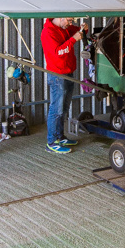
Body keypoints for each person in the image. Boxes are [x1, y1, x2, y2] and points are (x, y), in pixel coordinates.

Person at [41, 16, 86, 153]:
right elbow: (57, 53)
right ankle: (51, 141)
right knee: (56, 109)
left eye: (72, 21)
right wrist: (73, 40)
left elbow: (75, 30)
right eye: (69, 20)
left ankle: (60, 136)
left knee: (64, 107)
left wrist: (82, 29)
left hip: (68, 72)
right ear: (60, 17)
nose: (70, 24)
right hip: (57, 75)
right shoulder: (48, 32)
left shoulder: (64, 27)